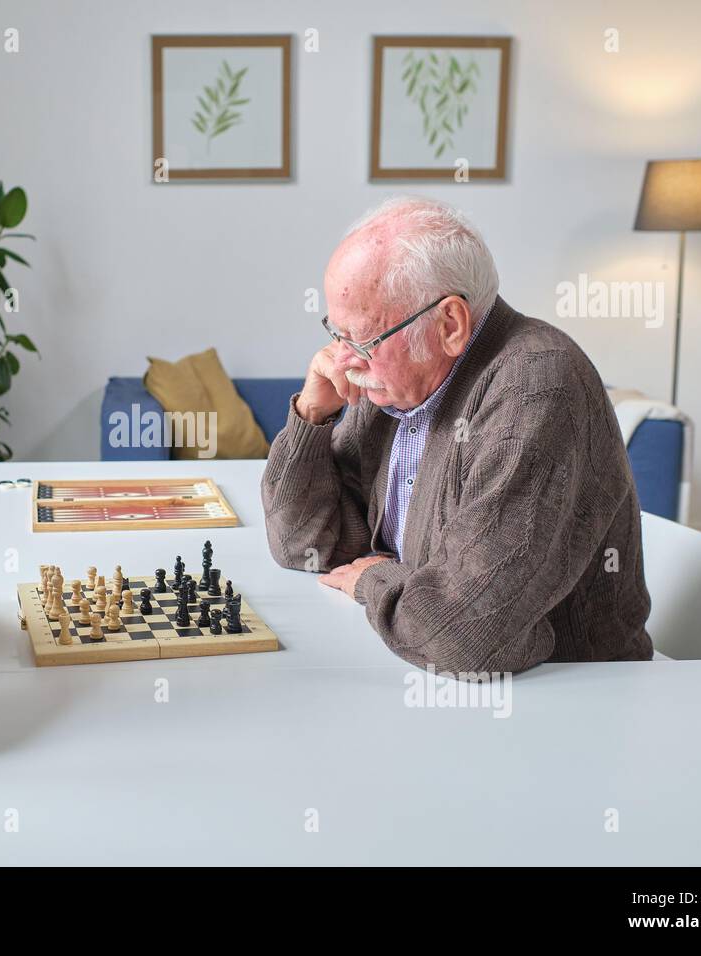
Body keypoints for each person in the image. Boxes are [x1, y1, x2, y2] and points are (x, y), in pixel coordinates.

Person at [262, 196, 652, 675]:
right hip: (431, 679)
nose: (343, 361)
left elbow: (462, 636)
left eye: (360, 339)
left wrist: (376, 580)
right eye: (336, 333)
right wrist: (312, 414)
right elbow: (305, 546)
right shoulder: (392, 383)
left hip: (570, 698)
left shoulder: (537, 385)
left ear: (450, 324)